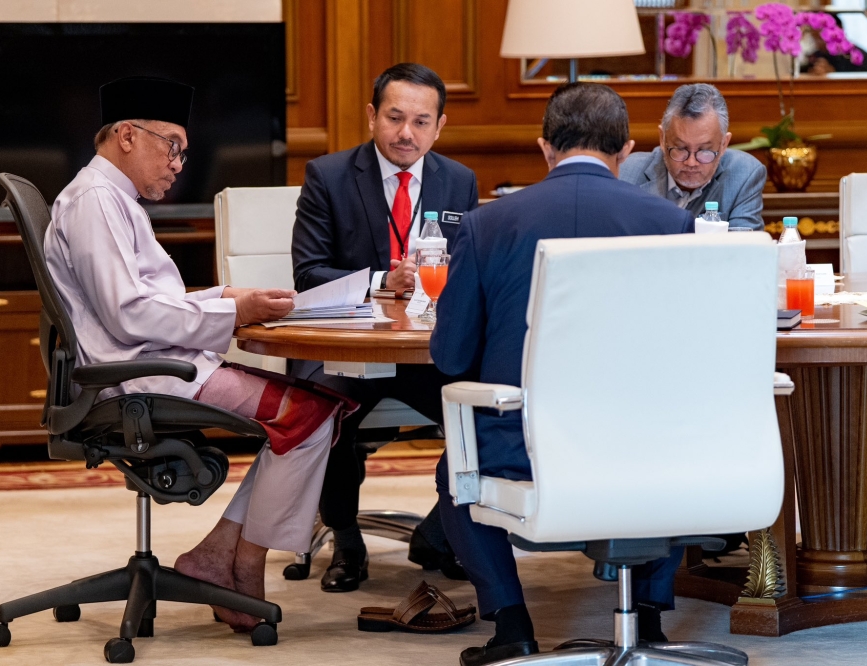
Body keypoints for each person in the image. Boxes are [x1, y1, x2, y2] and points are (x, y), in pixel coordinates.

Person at [44, 77, 356, 633]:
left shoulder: (112, 198)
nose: (178, 164)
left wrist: (226, 296)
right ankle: (244, 561)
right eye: (172, 146)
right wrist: (233, 313)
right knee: (308, 418)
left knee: (314, 414)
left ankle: (218, 555)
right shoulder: (95, 201)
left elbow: (147, 300)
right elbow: (129, 315)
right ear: (126, 136)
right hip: (142, 375)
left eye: (182, 152)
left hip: (153, 363)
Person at [430, 83, 695, 666]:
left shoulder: (485, 225)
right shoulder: (671, 222)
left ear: (545, 147)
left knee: (456, 469)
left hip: (520, 449)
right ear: (626, 150)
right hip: (642, 445)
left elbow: (450, 357)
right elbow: (682, 349)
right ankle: (646, 619)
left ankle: (512, 625)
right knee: (672, 446)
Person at [291, 62, 479, 592]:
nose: (406, 133)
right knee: (326, 412)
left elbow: (470, 270)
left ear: (439, 127)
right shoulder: (328, 175)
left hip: (425, 350)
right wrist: (381, 281)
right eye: (395, 118)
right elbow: (308, 273)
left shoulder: (459, 181)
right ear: (372, 115)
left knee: (486, 410)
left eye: (421, 122)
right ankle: (346, 539)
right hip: (348, 348)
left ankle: (440, 533)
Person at [619, 83, 765, 230]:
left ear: (723, 144)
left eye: (704, 150)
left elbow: (745, 242)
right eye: (681, 148)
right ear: (662, 139)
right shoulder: (625, 174)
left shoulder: (744, 175)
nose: (691, 162)